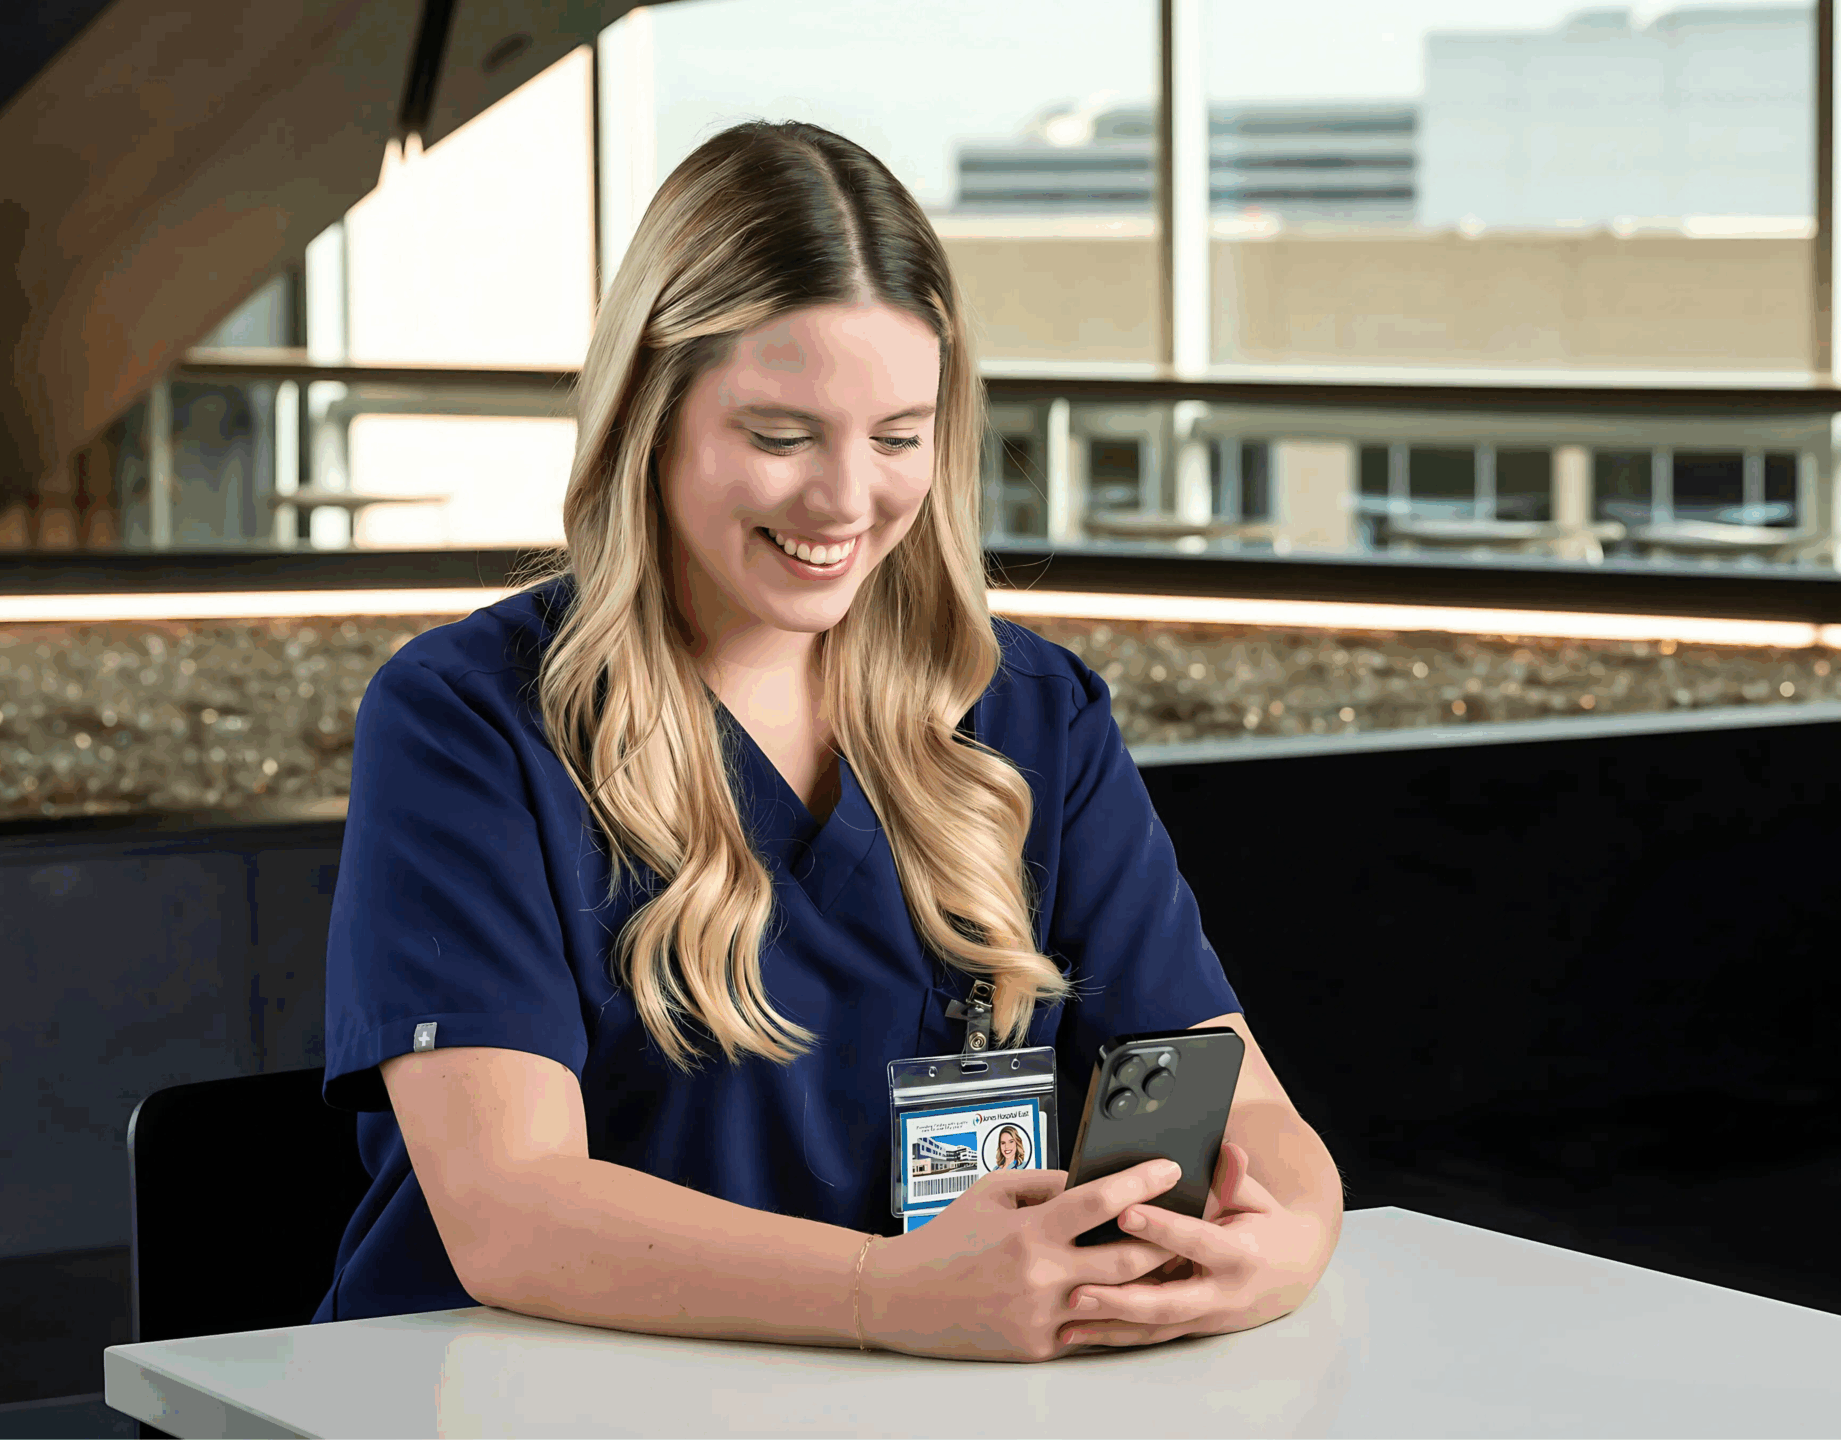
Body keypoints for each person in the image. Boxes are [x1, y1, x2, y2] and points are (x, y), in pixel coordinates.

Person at [312, 120, 1342, 1363]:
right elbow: (510, 1211)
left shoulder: (1030, 713)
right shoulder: (470, 720)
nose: (846, 502)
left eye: (898, 437)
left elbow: (1251, 1108)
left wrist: (1281, 1247)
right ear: (650, 414)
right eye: (781, 437)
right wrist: (891, 1296)